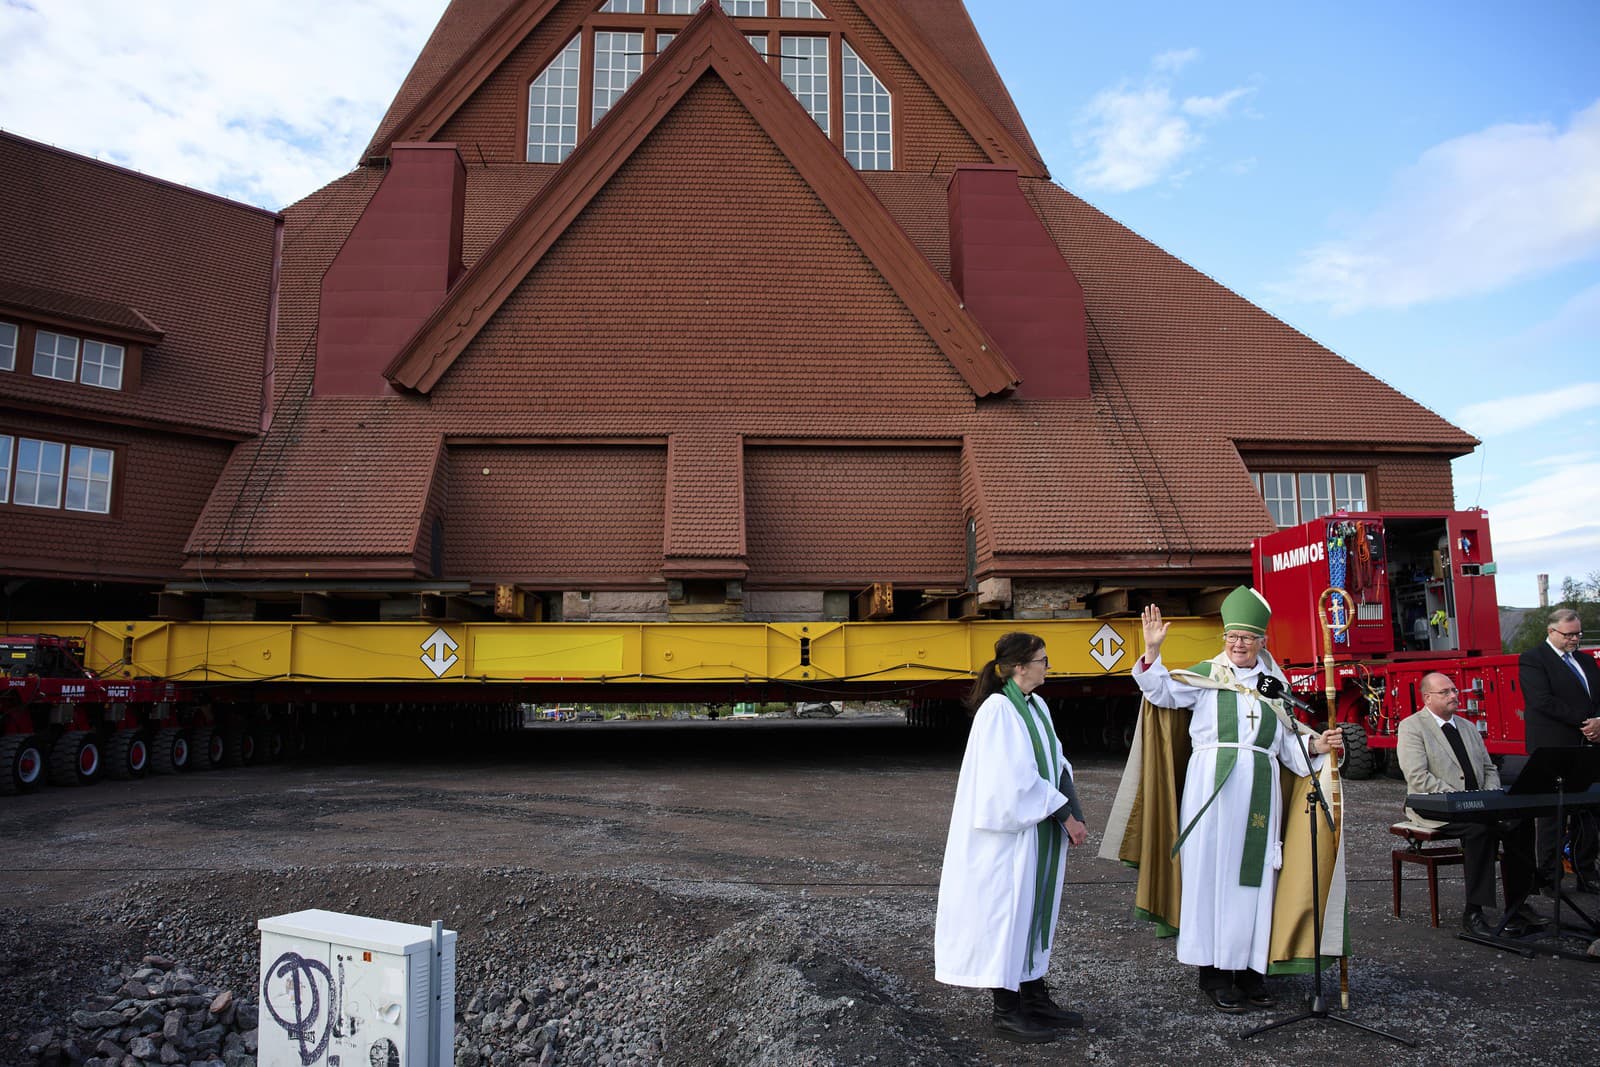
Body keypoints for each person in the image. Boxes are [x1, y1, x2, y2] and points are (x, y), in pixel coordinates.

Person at [1127, 587, 1343, 1014]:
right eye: (1232, 636)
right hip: (1210, 788)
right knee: (1211, 872)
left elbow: (1289, 746)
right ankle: (1213, 973)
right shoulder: (1208, 676)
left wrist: (1320, 742)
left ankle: (1249, 971)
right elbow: (1161, 692)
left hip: (1258, 787)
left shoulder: (1273, 686)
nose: (1238, 643)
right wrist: (1152, 652)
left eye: (1247, 637)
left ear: (1263, 642)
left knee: (1255, 878)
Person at [935, 632, 1089, 1043]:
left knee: (1033, 913)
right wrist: (1062, 814)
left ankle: (1035, 997)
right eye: (1042, 659)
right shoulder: (998, 711)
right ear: (1020, 666)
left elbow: (1057, 764)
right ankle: (1006, 1010)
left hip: (1034, 834)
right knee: (1009, 916)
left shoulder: (1036, 707)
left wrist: (1073, 814)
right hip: (1008, 840)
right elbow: (1014, 781)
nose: (1047, 666)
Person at [1396, 671, 1544, 935]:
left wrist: (1488, 797)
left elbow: (1489, 767)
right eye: (1446, 692)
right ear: (1427, 698)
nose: (1454, 696)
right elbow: (1417, 777)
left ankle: (1518, 906)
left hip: (1478, 804)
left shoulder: (1466, 726)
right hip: (1434, 805)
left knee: (1519, 823)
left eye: (1454, 690)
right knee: (1480, 831)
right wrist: (1462, 798)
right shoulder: (1412, 726)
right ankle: (1474, 911)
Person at [1518, 608, 1600, 893]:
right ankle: (1550, 877)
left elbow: (1597, 696)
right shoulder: (1533, 659)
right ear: (1552, 632)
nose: (1575, 639)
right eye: (1569, 635)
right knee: (1552, 816)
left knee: (1589, 812)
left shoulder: (1586, 662)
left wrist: (1599, 721)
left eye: (1578, 633)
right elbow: (1541, 701)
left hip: (1588, 745)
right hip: (1553, 746)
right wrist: (1584, 723)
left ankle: (1585, 870)